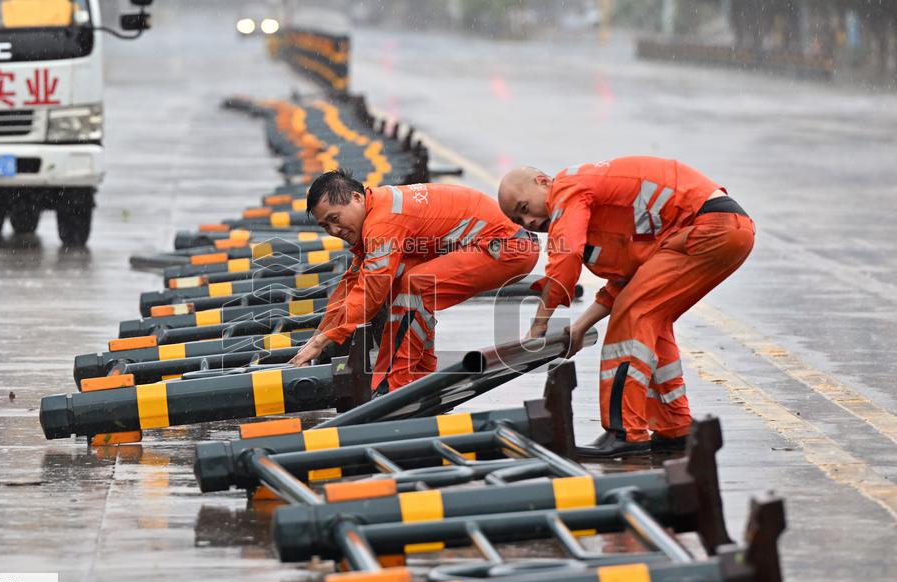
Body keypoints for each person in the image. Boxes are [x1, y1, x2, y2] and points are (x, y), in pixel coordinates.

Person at [498, 156, 755, 457]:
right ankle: (674, 428)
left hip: (710, 227)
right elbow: (627, 281)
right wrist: (581, 326)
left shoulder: (567, 187)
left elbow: (565, 260)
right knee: (651, 319)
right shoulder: (602, 213)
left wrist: (538, 324)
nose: (528, 223)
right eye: (518, 221)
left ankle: (624, 432)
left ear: (543, 182)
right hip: (725, 229)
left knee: (634, 316)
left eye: (524, 209)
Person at [289, 169, 539, 393]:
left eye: (335, 218)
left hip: (509, 245)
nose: (335, 231)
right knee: (403, 281)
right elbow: (352, 284)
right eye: (325, 226)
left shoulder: (383, 222)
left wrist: (324, 340)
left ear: (356, 198)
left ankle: (395, 386)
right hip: (504, 243)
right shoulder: (377, 211)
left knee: (415, 285)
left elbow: (370, 291)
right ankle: (419, 376)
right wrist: (318, 336)